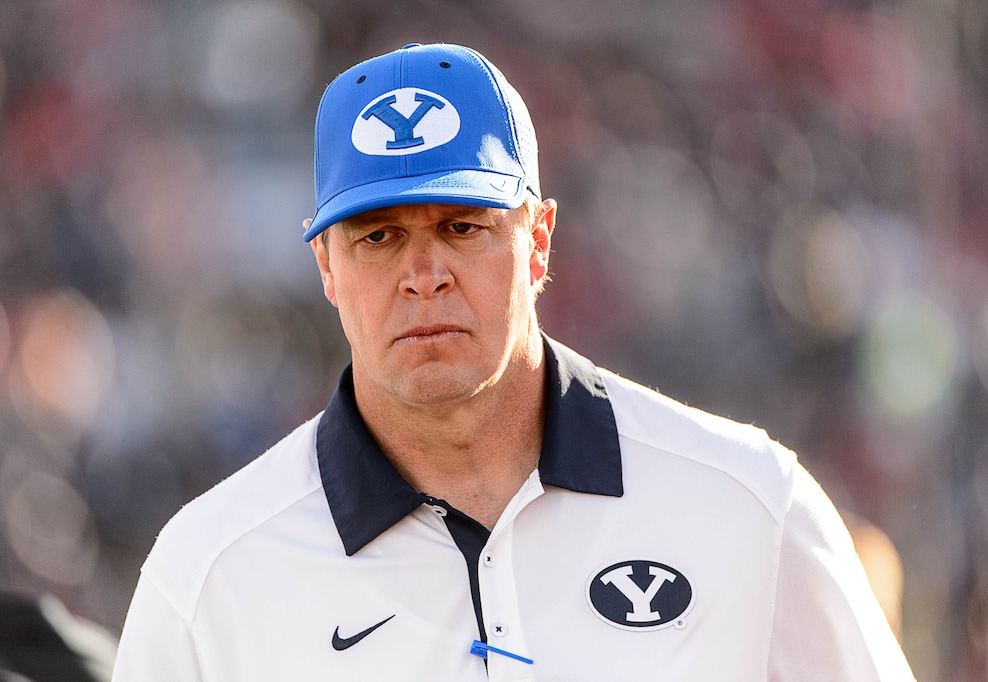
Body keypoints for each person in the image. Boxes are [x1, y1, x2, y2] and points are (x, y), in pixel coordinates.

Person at [111, 42, 916, 680]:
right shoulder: (210, 577)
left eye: (462, 226)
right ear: (326, 265)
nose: (423, 275)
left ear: (537, 240)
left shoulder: (750, 505)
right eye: (378, 237)